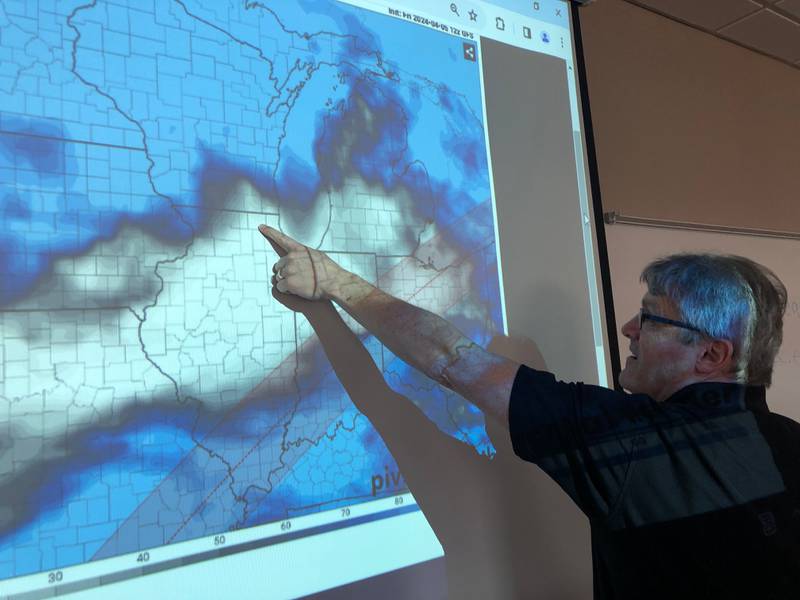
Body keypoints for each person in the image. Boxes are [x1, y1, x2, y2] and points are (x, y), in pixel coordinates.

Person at [258, 224, 800, 599]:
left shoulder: (636, 445)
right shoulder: (790, 443)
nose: (630, 330)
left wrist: (332, 282)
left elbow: (450, 358)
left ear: (711, 354)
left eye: (653, 320)